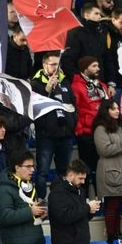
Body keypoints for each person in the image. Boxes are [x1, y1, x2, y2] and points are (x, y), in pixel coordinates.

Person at [48, 160, 100, 244]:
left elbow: (81, 217)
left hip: (82, 243)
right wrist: (87, 207)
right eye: (80, 178)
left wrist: (91, 212)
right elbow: (64, 217)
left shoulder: (80, 191)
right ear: (71, 175)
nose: (83, 182)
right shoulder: (57, 193)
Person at [31, 51, 78, 199]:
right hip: (46, 135)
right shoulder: (35, 83)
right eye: (52, 65)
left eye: (58, 65)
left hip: (65, 134)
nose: (56, 68)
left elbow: (73, 104)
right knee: (42, 172)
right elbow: (35, 107)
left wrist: (72, 123)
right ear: (44, 65)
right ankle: (41, 201)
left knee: (64, 172)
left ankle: (61, 200)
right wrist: (47, 90)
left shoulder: (65, 81)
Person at [92, 100, 122, 244]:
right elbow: (104, 150)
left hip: (121, 170)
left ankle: (117, 234)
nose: (117, 111)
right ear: (106, 111)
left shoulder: (118, 127)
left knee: (117, 205)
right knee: (112, 205)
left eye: (117, 108)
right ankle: (111, 236)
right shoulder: (100, 128)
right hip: (110, 172)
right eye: (113, 109)